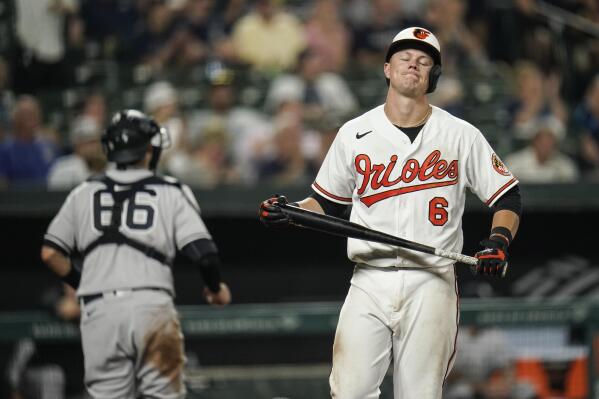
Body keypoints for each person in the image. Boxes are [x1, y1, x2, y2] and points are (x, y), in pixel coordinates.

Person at [259, 27, 522, 399]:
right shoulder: (354, 132)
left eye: (424, 61)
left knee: (418, 394)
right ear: (386, 68)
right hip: (369, 278)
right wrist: (292, 211)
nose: (413, 64)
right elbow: (327, 203)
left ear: (433, 76)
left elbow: (507, 195)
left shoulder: (460, 134)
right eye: (404, 57)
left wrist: (498, 241)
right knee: (348, 392)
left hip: (430, 279)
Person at [40, 109, 232, 399]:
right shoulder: (171, 190)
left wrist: (86, 283)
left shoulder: (83, 192)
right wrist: (216, 289)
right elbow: (204, 254)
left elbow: (50, 254)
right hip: (151, 308)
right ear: (148, 150)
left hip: (99, 311)